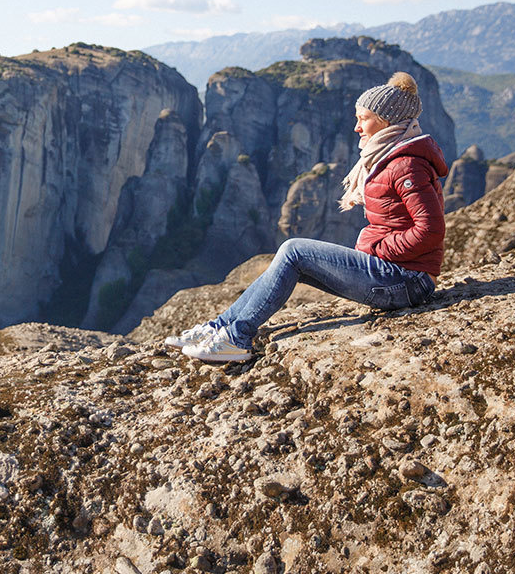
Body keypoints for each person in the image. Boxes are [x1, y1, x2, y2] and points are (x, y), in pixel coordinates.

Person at [169, 71, 447, 363]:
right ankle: (219, 328)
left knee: (293, 250)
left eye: (363, 119)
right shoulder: (388, 157)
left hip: (406, 282)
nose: (356, 127)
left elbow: (431, 230)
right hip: (397, 276)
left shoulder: (406, 166)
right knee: (291, 261)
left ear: (387, 121)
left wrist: (378, 250)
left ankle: (236, 338)